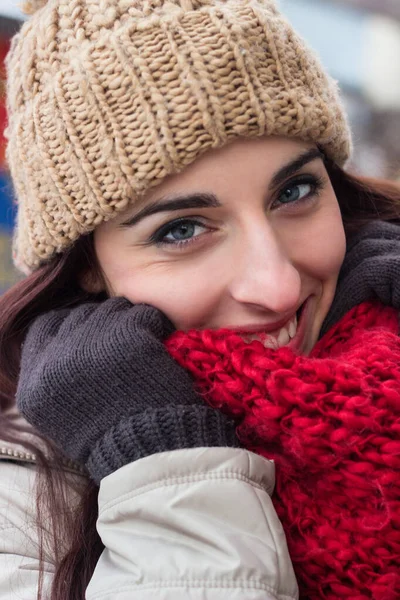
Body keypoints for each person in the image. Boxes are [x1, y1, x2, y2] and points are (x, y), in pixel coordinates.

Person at [0, 0, 400, 598]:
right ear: (87, 268)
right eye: (181, 230)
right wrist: (161, 462)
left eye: (294, 191)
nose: (278, 285)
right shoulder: (22, 507)